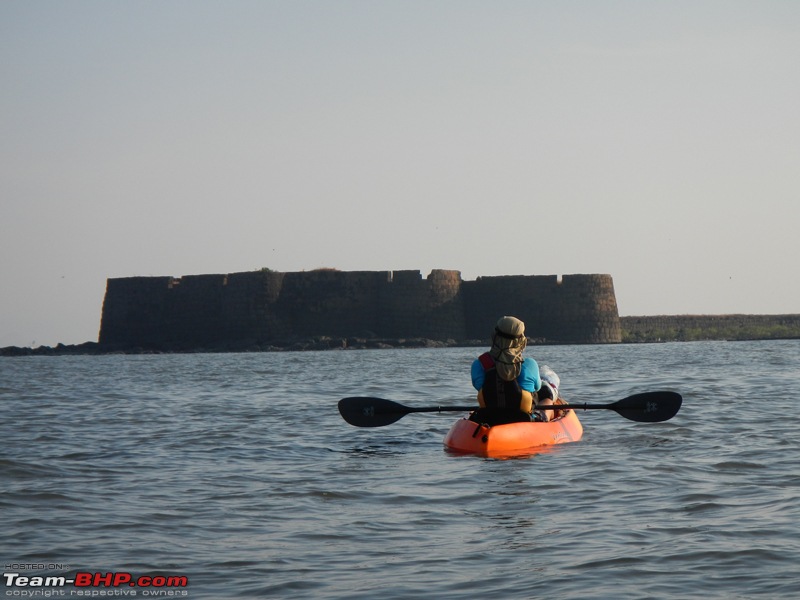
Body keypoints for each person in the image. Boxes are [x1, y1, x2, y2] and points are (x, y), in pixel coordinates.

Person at [470, 316, 541, 425]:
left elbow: (479, 387)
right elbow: (537, 387)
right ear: (521, 340)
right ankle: (546, 414)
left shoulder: (479, 364)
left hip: (489, 418)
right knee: (545, 390)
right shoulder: (529, 364)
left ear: (494, 336)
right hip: (523, 419)